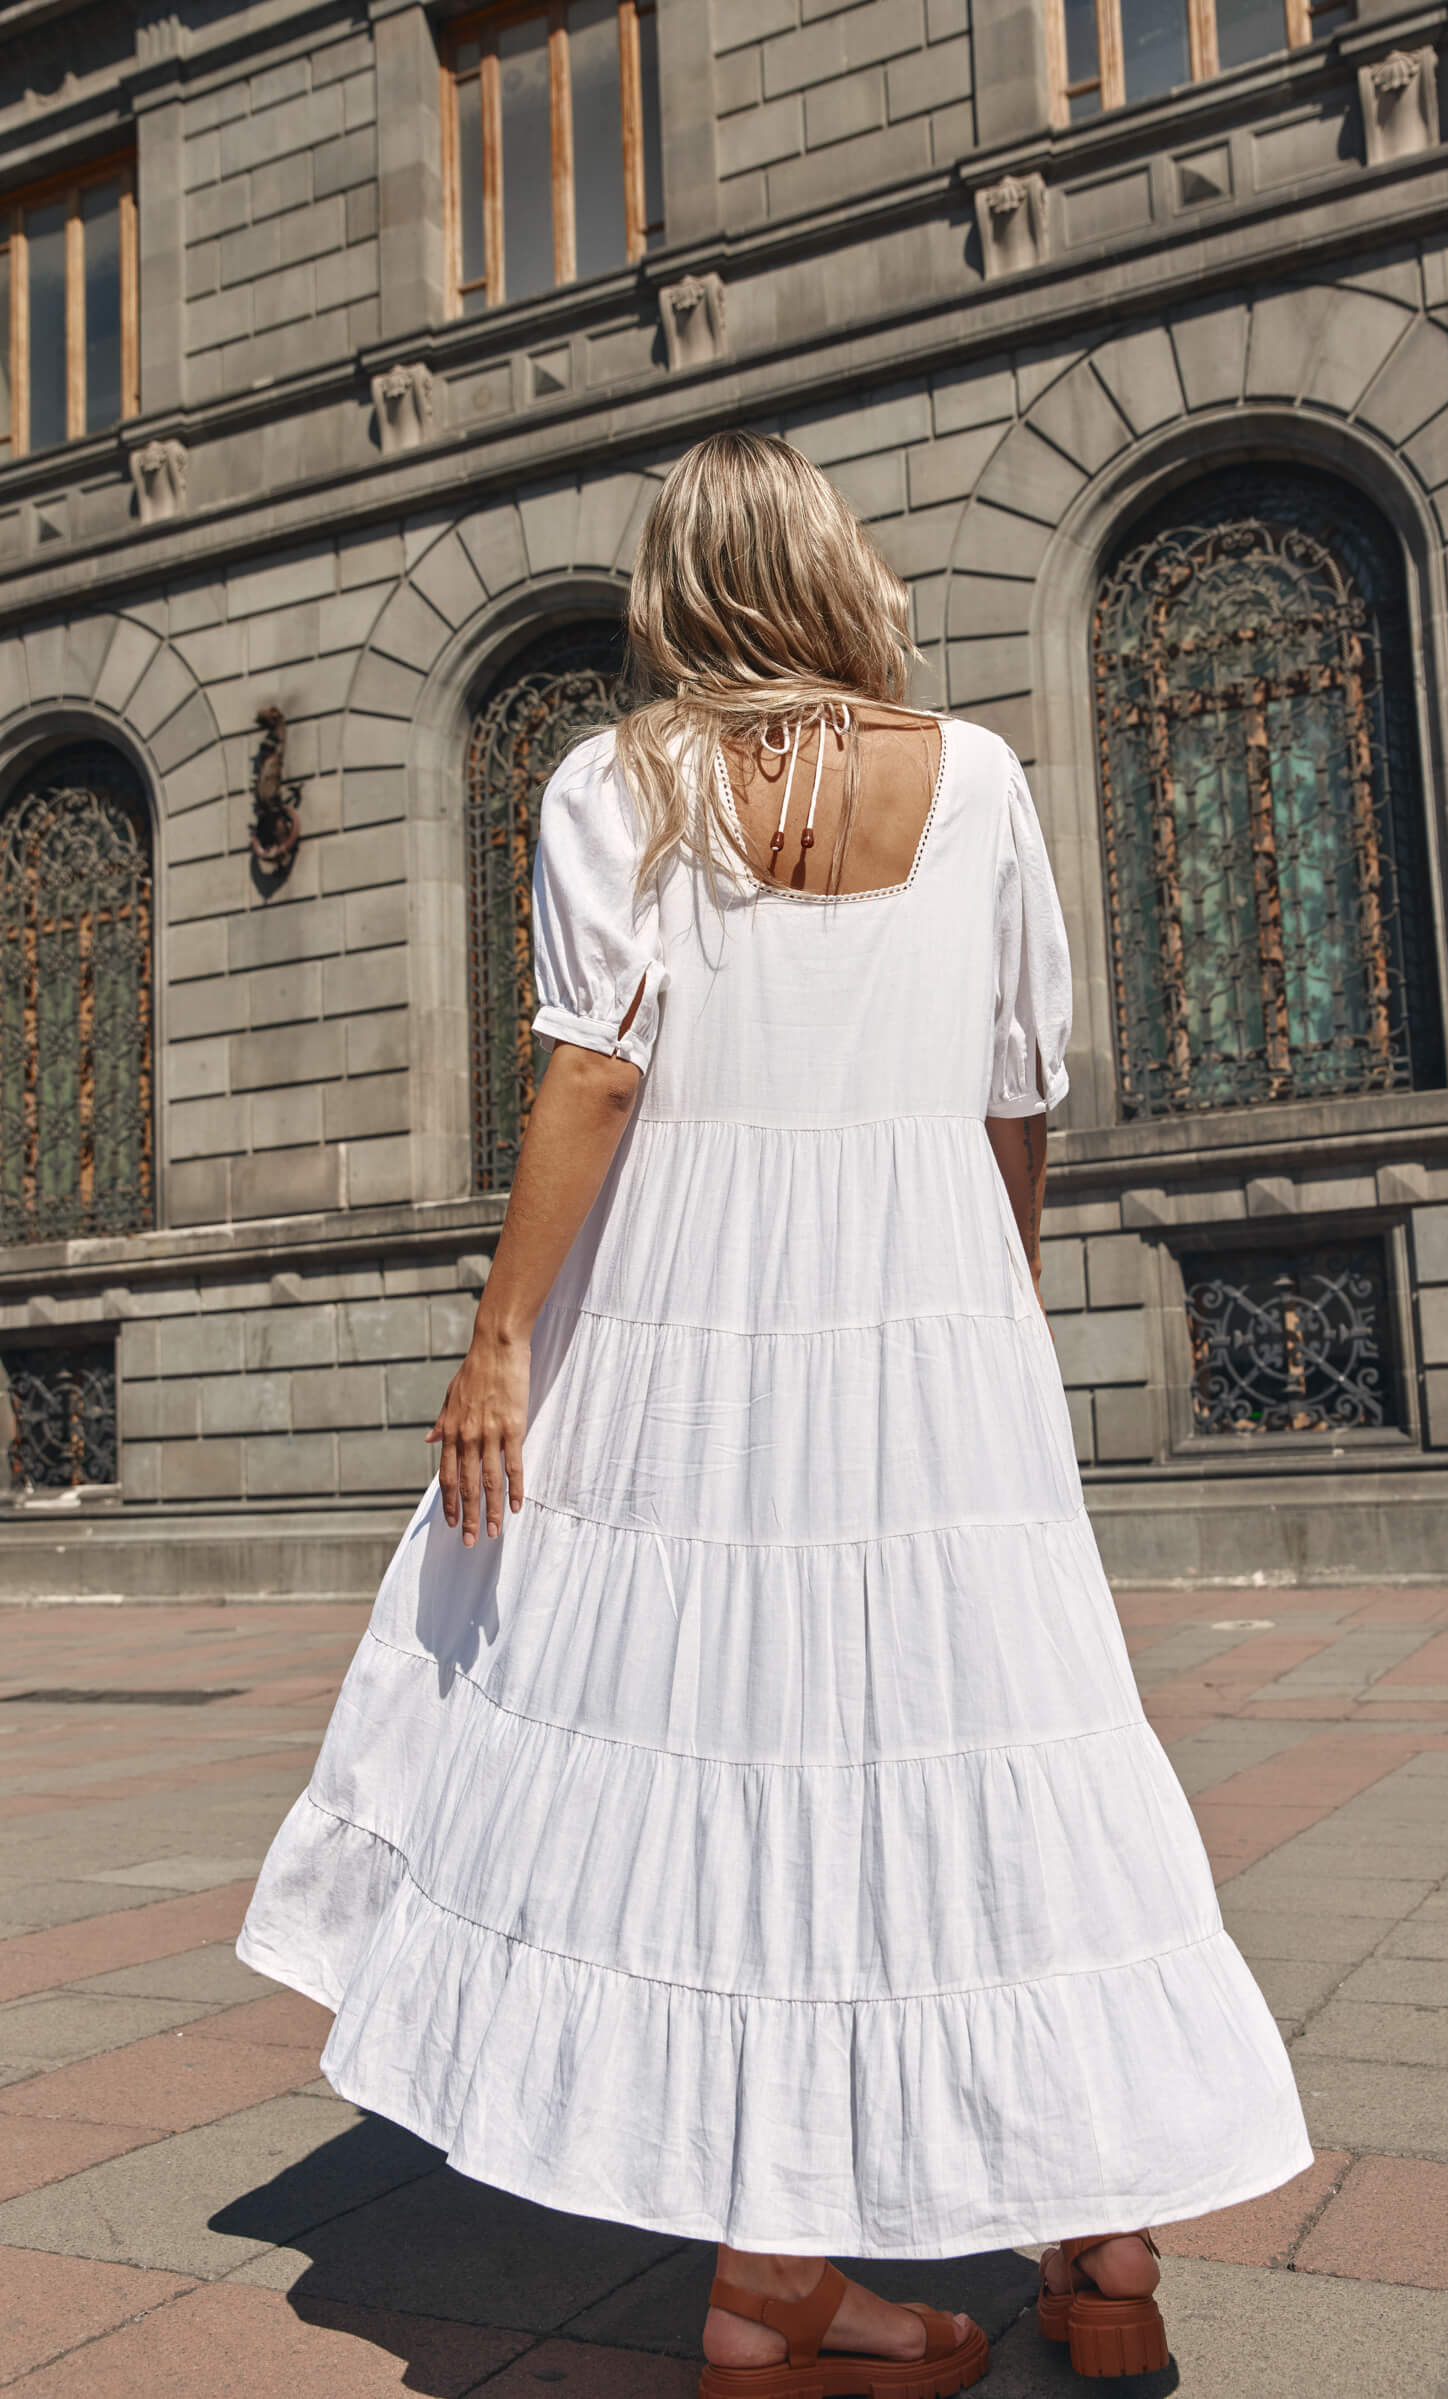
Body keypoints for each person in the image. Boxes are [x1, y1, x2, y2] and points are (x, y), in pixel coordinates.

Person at [238, 431, 1312, 2393]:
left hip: (685, 1328)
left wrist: (497, 1344)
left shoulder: (610, 781)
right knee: (989, 1745)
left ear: (674, 586)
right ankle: (1096, 2248)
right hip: (928, 1334)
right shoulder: (977, 778)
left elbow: (592, 1077)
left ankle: (770, 2272)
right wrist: (972, 1313)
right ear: (833, 571)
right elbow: (1018, 1090)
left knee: (731, 1748)